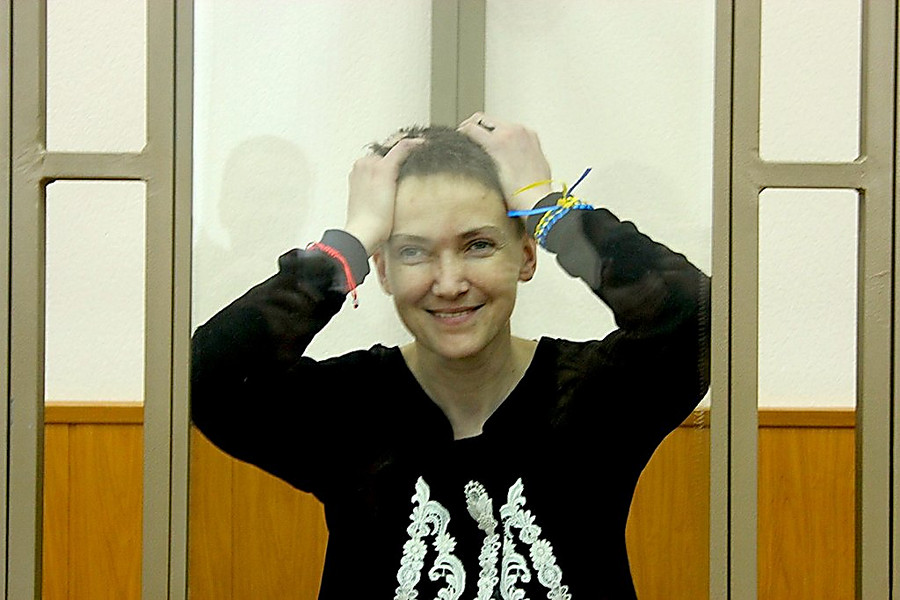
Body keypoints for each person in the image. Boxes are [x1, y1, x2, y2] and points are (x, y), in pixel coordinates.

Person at [190, 114, 710, 599]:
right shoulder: (350, 408)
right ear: (383, 271)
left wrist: (549, 208)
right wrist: (348, 244)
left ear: (526, 255)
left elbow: (702, 318)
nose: (449, 283)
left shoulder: (594, 399)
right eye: (413, 252)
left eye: (478, 245)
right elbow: (205, 378)